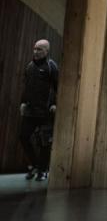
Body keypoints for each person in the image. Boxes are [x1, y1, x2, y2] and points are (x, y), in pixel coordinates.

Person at [19, 39, 58, 182]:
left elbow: (58, 87)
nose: (36, 52)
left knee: (44, 143)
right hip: (30, 111)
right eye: (35, 48)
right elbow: (26, 86)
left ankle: (41, 170)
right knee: (23, 137)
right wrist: (22, 102)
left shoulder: (51, 66)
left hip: (45, 112)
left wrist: (54, 104)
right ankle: (35, 164)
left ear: (46, 51)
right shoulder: (29, 66)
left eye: (40, 49)